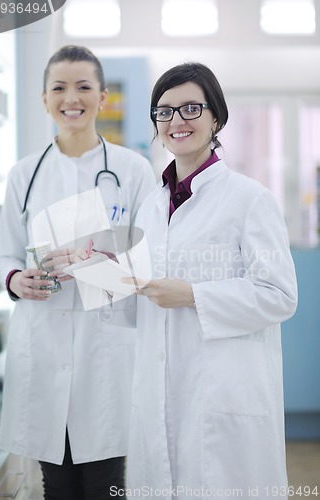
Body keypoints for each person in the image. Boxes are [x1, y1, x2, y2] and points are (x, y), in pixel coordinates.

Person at [124, 63, 298, 500]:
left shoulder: (249, 198)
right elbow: (142, 295)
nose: (176, 121)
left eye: (191, 108)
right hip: (160, 389)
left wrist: (194, 296)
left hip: (223, 393)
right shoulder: (149, 205)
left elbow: (280, 296)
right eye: (164, 112)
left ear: (216, 117)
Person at [0, 45, 155, 500]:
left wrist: (90, 265)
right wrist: (15, 280)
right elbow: (7, 255)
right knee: (57, 484)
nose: (72, 97)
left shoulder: (132, 170)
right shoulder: (23, 175)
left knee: (106, 482)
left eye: (84, 86)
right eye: (60, 87)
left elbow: (148, 264)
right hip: (43, 344)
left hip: (105, 346)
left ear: (103, 96)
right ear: (44, 99)